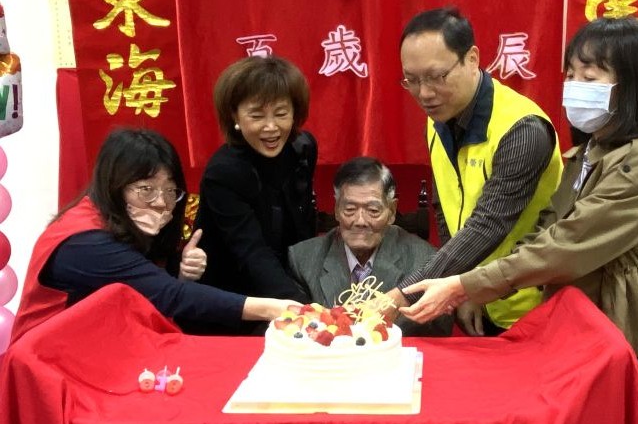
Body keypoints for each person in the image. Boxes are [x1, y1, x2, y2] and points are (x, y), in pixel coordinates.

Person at [399, 16, 638, 424]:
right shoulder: (583, 157)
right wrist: (474, 290)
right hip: (606, 343)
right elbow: (543, 233)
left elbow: (565, 248)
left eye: (589, 77)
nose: (573, 86)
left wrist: (463, 285)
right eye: (571, 74)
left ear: (630, 85)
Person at [11, 128, 298, 344]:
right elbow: (169, 295)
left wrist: (181, 272)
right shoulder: (85, 242)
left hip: (100, 346)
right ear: (114, 186)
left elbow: (149, 289)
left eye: (170, 190)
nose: (161, 202)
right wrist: (271, 308)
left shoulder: (122, 223)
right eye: (146, 189)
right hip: (47, 361)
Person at [387, 7, 562, 335]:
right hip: (481, 298)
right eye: (412, 80)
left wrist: (401, 296)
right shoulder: (437, 120)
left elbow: (489, 223)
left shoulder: (522, 129)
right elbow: (445, 207)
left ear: (472, 59)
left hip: (534, 306)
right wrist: (463, 289)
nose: (424, 93)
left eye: (437, 77)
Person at [194, 55, 316, 334]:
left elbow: (303, 222)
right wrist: (305, 311)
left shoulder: (303, 148)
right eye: (257, 116)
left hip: (287, 285)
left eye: (281, 114)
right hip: (233, 301)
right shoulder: (224, 172)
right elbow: (251, 252)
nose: (271, 127)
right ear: (234, 116)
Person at [288, 157, 452, 337]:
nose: (360, 221)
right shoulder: (302, 260)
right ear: (336, 209)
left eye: (373, 211)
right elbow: (295, 330)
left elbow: (439, 331)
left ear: (392, 211)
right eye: (350, 209)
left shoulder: (425, 260)